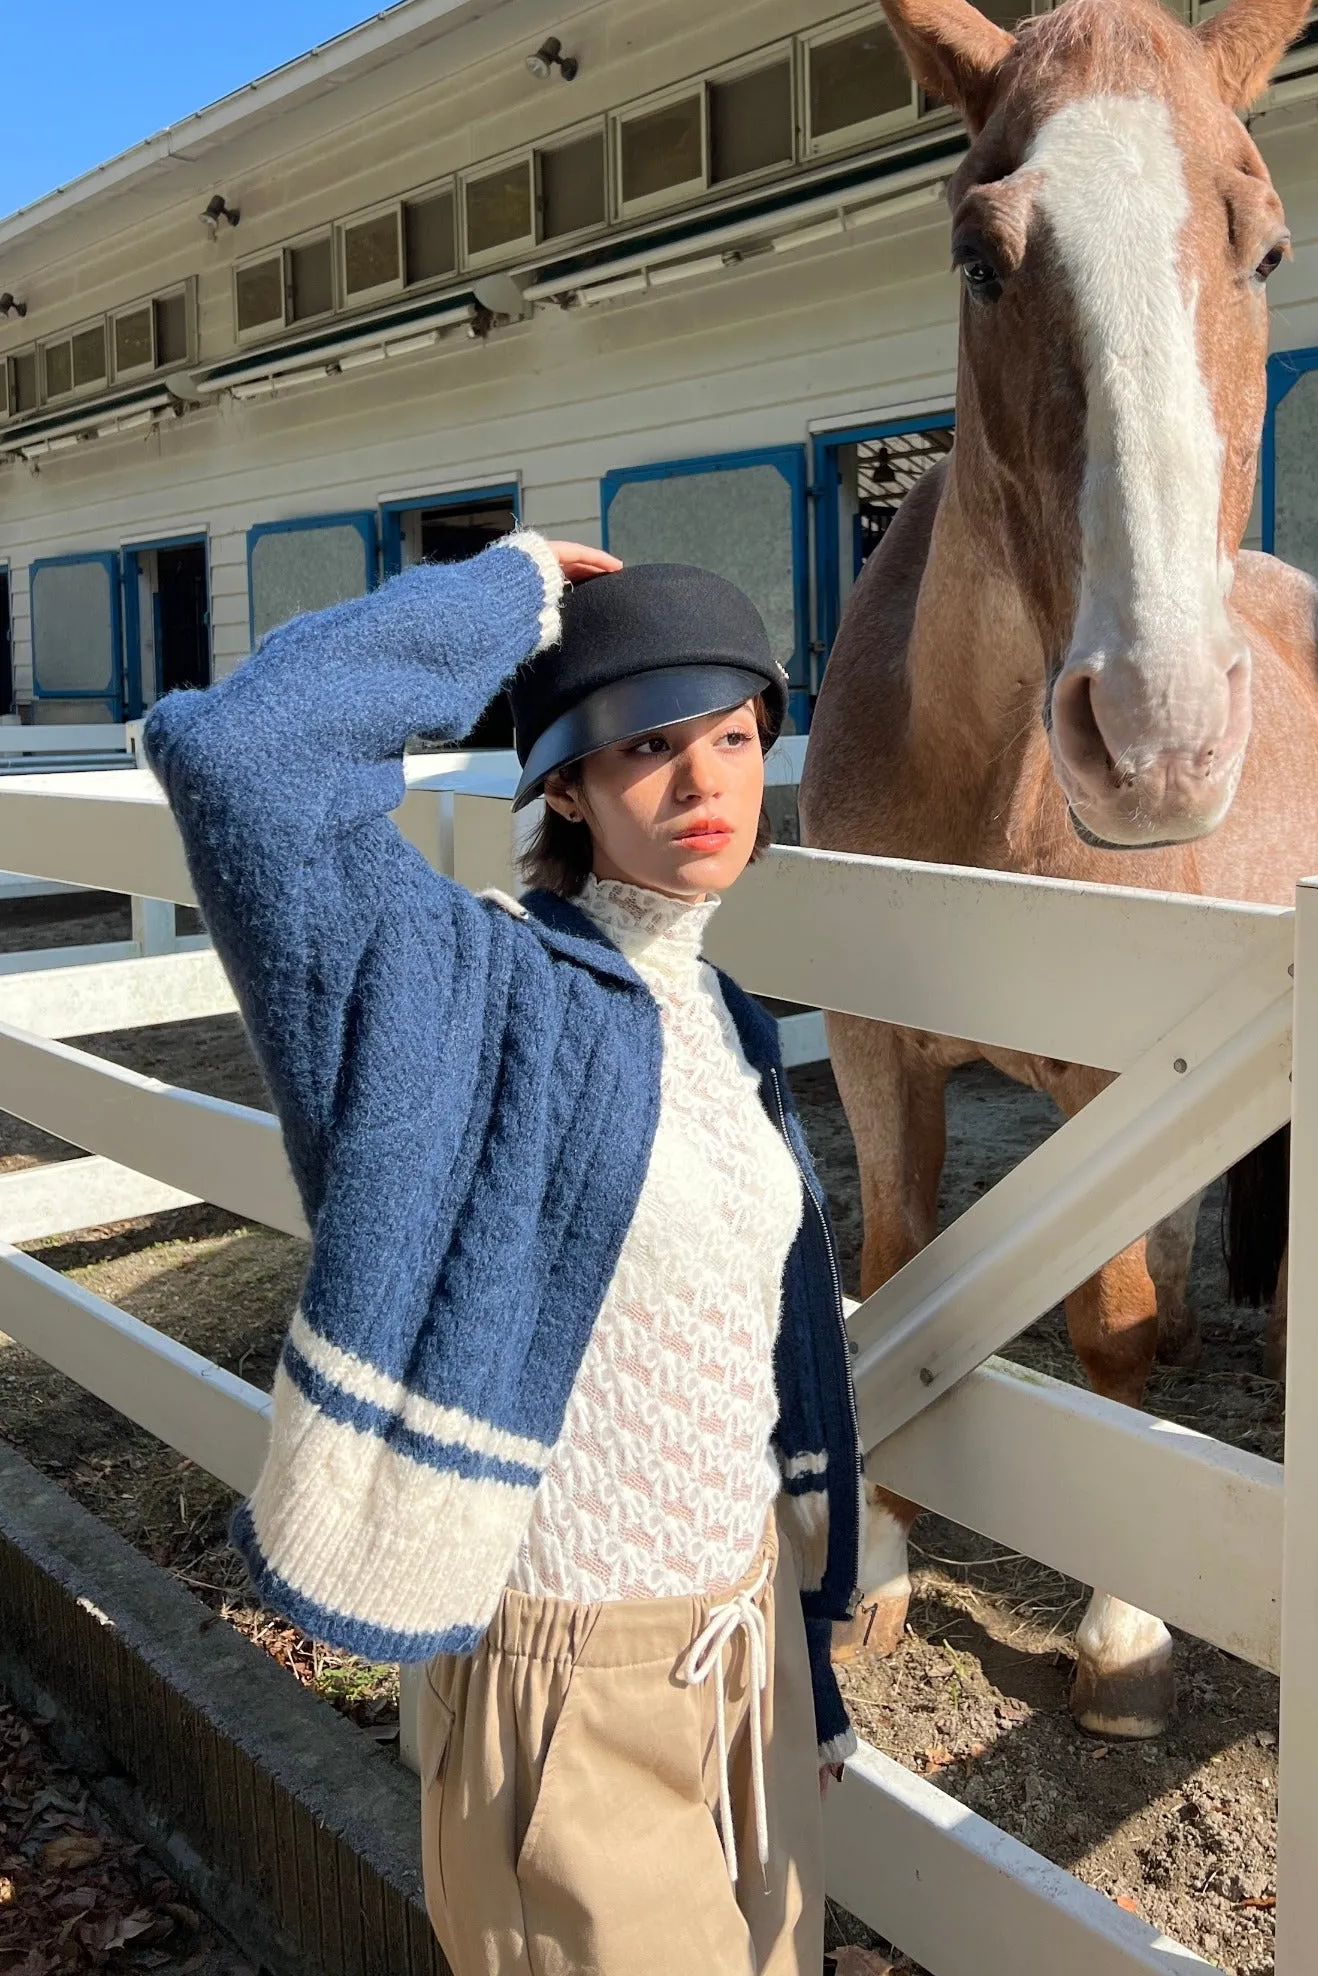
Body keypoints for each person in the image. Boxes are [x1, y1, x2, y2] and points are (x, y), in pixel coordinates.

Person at [145, 529, 862, 1976]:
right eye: (646, 743)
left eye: (732, 735)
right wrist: (507, 590)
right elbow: (246, 758)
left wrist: (817, 1573)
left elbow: (760, 1331)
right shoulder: (460, 986)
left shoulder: (728, 1020)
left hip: (746, 1655)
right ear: (571, 788)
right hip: (566, 1676)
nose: (702, 779)